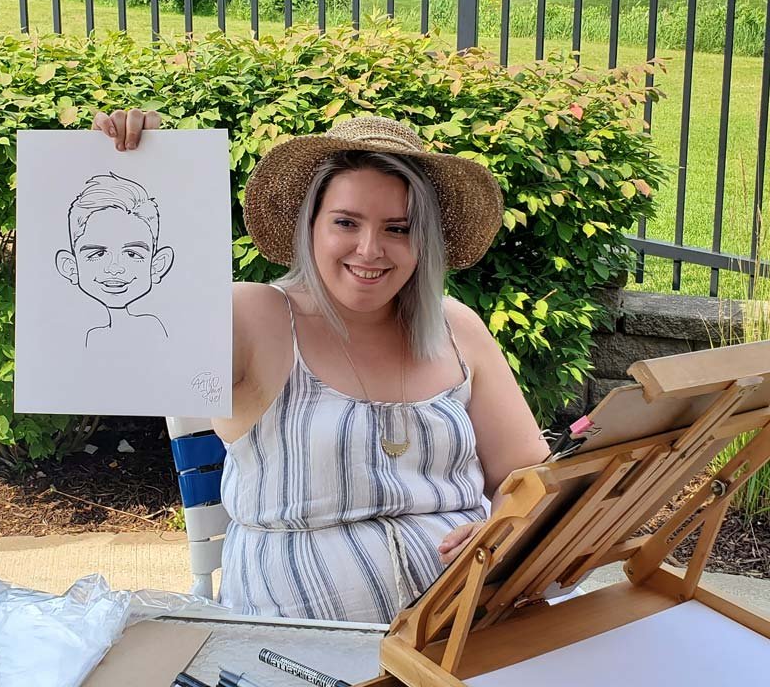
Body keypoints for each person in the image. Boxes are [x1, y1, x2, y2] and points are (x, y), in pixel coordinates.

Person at [93, 108, 550, 623]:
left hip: (469, 627)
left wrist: (505, 525)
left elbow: (528, 474)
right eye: (346, 223)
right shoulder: (251, 318)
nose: (370, 249)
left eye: (398, 228)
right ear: (309, 225)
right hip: (297, 652)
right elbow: (132, 336)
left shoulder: (456, 327)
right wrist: (140, 172)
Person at [55, 171, 174, 349]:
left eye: (132, 254)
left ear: (157, 266)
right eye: (98, 254)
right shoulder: (89, 336)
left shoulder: (151, 328)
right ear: (71, 267)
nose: (115, 268)